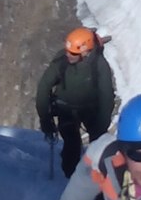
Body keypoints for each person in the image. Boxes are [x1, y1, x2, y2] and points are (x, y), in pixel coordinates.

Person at [35, 26, 116, 177]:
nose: (69, 55)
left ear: (86, 51)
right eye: (68, 51)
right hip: (70, 110)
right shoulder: (65, 62)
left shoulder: (99, 65)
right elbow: (44, 87)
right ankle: (74, 180)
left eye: (73, 53)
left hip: (85, 110)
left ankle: (91, 181)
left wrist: (101, 126)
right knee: (74, 146)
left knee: (92, 148)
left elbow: (107, 98)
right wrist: (44, 118)